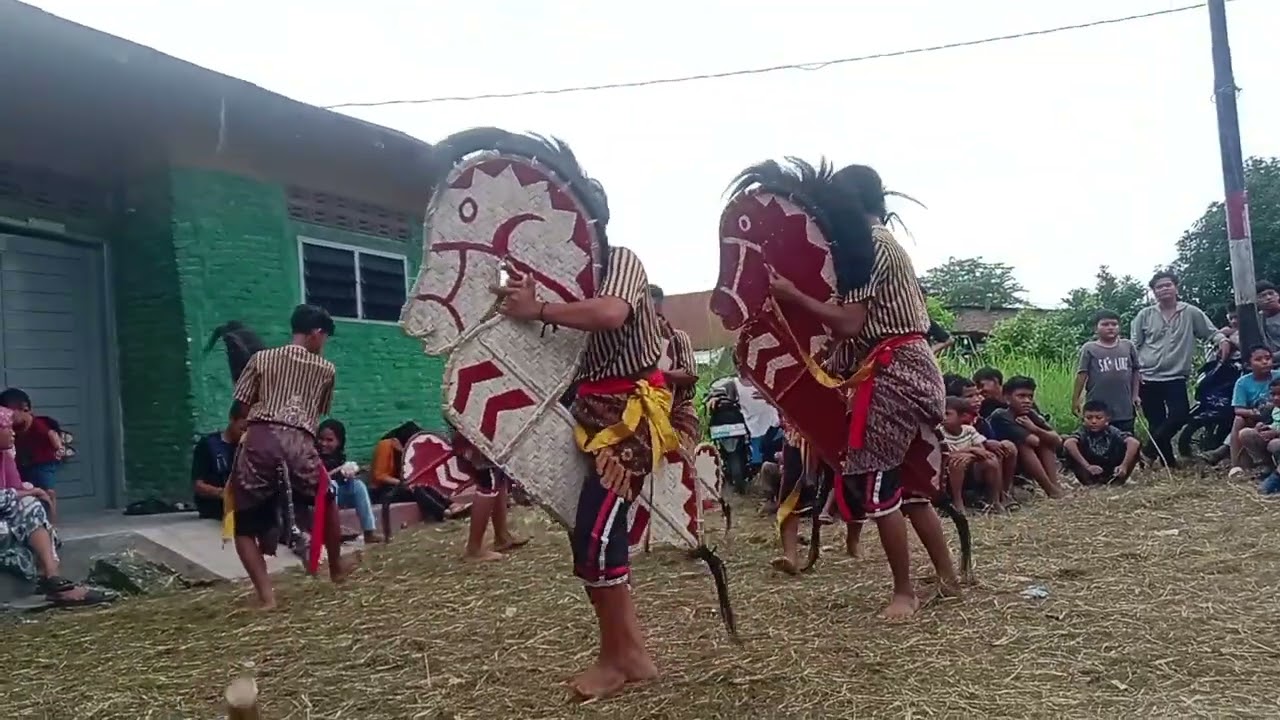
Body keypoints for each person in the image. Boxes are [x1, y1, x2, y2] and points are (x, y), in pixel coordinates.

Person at [492, 180, 673, 699]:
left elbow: (612, 313)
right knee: (590, 534)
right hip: (589, 418)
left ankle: (616, 660)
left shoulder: (621, 261)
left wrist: (539, 309)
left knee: (596, 536)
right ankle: (631, 653)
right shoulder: (557, 279)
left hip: (633, 415)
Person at [761, 161, 961, 620]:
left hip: (893, 374)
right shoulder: (885, 244)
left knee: (877, 486)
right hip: (911, 368)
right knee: (909, 490)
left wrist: (794, 296)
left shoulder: (868, 246)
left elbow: (851, 324)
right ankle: (948, 579)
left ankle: (904, 593)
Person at [224, 304, 355, 610]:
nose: (324, 345)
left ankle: (267, 598)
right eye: (324, 338)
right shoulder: (325, 369)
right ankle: (335, 568)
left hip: (260, 441)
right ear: (317, 333)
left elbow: (242, 408)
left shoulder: (261, 359)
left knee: (242, 523)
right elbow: (318, 411)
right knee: (326, 498)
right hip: (300, 443)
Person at [0, 406, 113, 606]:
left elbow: (14, 487)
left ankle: (53, 580)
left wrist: (29, 493)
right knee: (27, 503)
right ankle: (52, 582)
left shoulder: (4, 456)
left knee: (31, 506)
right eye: (7, 428)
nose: (12, 432)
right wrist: (28, 492)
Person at [1131, 271, 1228, 468]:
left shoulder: (1190, 312)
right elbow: (1134, 345)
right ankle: (1169, 463)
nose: (1164, 289)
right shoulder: (1145, 315)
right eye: (1159, 286)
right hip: (1147, 375)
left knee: (1179, 415)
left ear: (1176, 287)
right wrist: (1134, 372)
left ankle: (1148, 451)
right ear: (1154, 292)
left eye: (1168, 285)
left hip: (1175, 375)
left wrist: (1223, 340)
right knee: (1156, 421)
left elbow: (1210, 332)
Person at [453, 432, 527, 562]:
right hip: (477, 433)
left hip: (485, 433)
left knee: (499, 475)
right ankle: (473, 549)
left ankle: (502, 536)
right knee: (488, 482)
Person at [988, 376, 1067, 498]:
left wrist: (1035, 428)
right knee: (1024, 445)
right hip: (1001, 460)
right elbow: (1034, 441)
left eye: (1030, 397)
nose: (1027, 401)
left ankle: (1055, 486)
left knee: (1046, 442)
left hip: (1021, 460)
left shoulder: (1030, 414)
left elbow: (1057, 440)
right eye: (1021, 396)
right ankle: (1050, 489)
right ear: (1007, 398)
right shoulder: (1001, 415)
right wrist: (1037, 432)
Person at [946, 376, 1018, 508]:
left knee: (1007, 447)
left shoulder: (979, 422)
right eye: (970, 396)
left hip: (978, 464)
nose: (978, 399)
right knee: (960, 463)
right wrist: (973, 451)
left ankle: (1002, 495)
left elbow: (983, 447)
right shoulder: (942, 428)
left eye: (978, 395)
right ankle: (959, 501)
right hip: (956, 468)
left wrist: (987, 443)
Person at [0, 388, 65, 521]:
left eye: (11, 414)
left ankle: (52, 524)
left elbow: (51, 434)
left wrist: (59, 448)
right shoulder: (12, 428)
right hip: (25, 462)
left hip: (44, 462)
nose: (8, 419)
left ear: (25, 409)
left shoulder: (38, 424)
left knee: (47, 491)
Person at [1073, 310, 1141, 434]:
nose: (1110, 328)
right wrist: (1075, 400)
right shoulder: (1089, 348)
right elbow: (1082, 374)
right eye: (1105, 324)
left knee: (1126, 438)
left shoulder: (1128, 346)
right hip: (1097, 407)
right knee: (1098, 438)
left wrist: (1135, 395)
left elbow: (1136, 371)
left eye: (1114, 324)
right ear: (1096, 328)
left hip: (1124, 406)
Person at [650, 285, 700, 454]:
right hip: (647, 411)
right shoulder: (636, 339)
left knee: (681, 464)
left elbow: (690, 373)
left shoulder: (678, 337)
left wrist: (657, 375)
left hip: (678, 412)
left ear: (658, 306)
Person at [316, 419, 382, 544]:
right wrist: (339, 471)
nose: (323, 443)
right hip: (315, 497)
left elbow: (341, 476)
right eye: (321, 439)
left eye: (329, 440)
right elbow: (317, 479)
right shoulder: (312, 456)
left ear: (339, 442)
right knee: (332, 485)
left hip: (335, 496)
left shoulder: (338, 457)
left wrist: (350, 473)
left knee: (358, 486)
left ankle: (369, 532)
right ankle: (331, 532)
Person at [939, 397, 1002, 513]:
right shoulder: (939, 432)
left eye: (948, 414)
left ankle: (995, 500)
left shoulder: (969, 430)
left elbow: (982, 452)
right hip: (948, 473)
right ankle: (957, 501)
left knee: (991, 460)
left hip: (972, 470)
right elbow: (946, 455)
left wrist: (969, 455)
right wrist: (971, 450)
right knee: (957, 462)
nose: (943, 417)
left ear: (962, 417)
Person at [191, 404, 250, 520]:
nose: (244, 435)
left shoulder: (248, 448)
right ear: (232, 419)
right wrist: (224, 494)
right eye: (242, 429)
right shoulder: (208, 445)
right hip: (214, 510)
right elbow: (198, 485)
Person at [1228, 346, 1280, 476]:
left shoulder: (1278, 376)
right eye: (1258, 359)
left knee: (1274, 444)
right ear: (1248, 365)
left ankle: (1272, 465)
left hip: (1276, 418)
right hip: (1257, 418)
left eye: (1268, 358)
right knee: (1239, 420)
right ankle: (1237, 465)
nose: (1264, 362)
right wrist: (1255, 414)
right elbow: (1238, 409)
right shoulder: (1243, 382)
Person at [1063, 400, 1142, 485]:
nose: (1093, 421)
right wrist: (1087, 466)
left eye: (1098, 418)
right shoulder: (1083, 431)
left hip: (1112, 468)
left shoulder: (1112, 431)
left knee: (1133, 448)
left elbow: (1134, 443)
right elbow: (1069, 443)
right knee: (1069, 448)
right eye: (1089, 418)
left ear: (1107, 419)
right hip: (1089, 469)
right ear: (1083, 419)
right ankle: (1088, 482)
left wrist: (1124, 465)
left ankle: (1118, 481)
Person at [369, 421, 423, 503]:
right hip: (381, 490)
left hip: (399, 487)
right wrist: (401, 483)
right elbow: (379, 475)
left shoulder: (407, 450)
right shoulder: (385, 445)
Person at [1256, 282, 1280, 353]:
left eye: (1271, 293)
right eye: (1263, 296)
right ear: (1256, 301)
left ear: (1278, 296)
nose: (1268, 298)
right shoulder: (1257, 319)